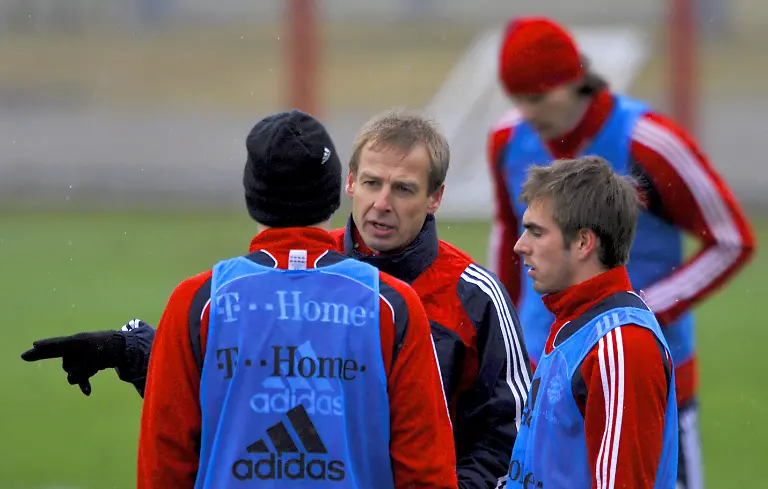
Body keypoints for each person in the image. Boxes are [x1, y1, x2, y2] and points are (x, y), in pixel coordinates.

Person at [22, 108, 531, 489]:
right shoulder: (296, 268)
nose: (381, 203)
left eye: (402, 188)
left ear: (435, 196)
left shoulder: (469, 294)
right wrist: (132, 349)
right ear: (347, 184)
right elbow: (250, 361)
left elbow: (512, 431)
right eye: (372, 183)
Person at [487, 16, 756, 489]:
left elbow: (732, 238)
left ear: (573, 78)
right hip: (540, 367)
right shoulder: (507, 142)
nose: (526, 113)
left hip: (644, 367)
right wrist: (499, 334)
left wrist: (633, 312)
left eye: (537, 97)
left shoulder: (649, 141)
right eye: (517, 99)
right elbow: (507, 233)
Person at [137, 109, 458, 488]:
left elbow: (164, 464)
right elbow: (425, 471)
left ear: (253, 194)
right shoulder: (391, 304)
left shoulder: (199, 300)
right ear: (337, 188)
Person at [505, 155, 678, 489]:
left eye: (536, 232)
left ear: (584, 242)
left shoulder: (622, 344)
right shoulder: (574, 324)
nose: (520, 245)